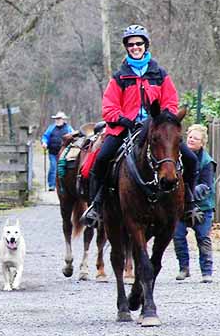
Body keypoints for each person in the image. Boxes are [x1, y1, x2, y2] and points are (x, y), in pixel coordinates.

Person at [81, 24, 199, 226]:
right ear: (126, 48)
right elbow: (108, 107)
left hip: (157, 128)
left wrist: (163, 118)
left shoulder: (159, 74)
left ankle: (189, 202)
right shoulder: (119, 77)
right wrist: (123, 119)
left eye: (139, 43)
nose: (135, 47)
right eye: (131, 44)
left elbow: (171, 101)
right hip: (125, 127)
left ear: (146, 45)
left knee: (190, 158)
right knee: (101, 158)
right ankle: (97, 205)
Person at [174, 124, 215, 283]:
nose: (191, 139)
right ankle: (183, 268)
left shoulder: (207, 162)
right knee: (178, 236)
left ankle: (207, 271)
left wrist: (187, 193)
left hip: (202, 206)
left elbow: (206, 186)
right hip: (181, 207)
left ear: (202, 143)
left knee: (203, 237)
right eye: (190, 136)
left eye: (196, 138)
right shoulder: (177, 156)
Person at [41, 112, 74, 191]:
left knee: (63, 168)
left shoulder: (68, 128)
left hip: (64, 153)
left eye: (59, 119)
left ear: (63, 120)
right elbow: (45, 136)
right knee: (53, 167)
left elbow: (73, 136)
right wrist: (44, 142)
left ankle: (62, 185)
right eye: (56, 119)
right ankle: (51, 185)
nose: (57, 120)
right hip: (53, 152)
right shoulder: (51, 128)